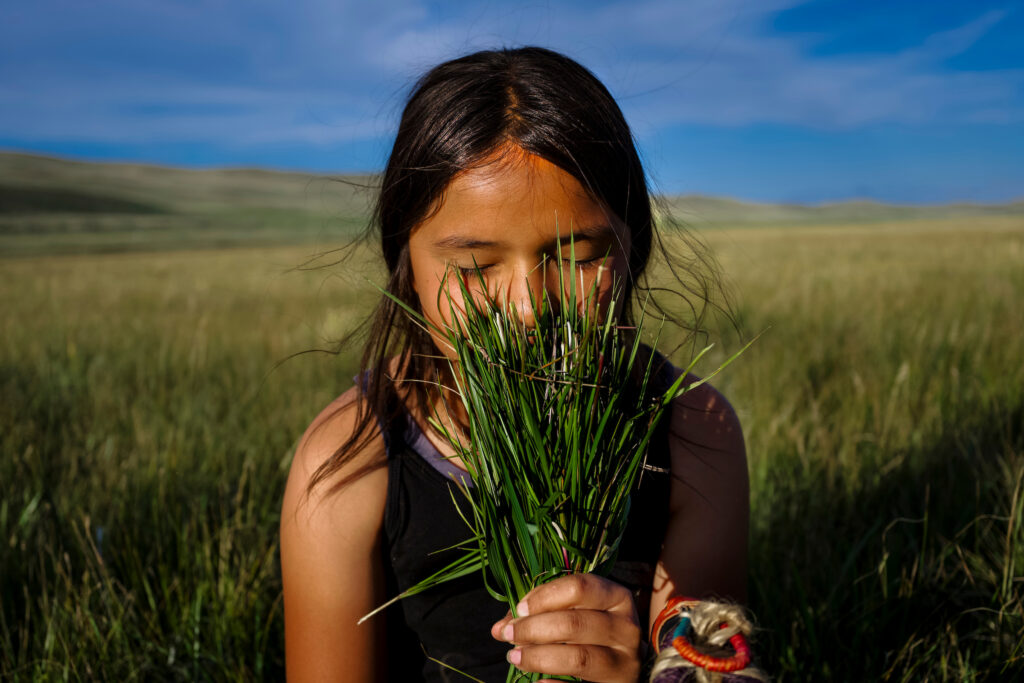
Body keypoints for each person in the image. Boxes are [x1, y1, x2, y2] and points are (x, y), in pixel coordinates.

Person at [280, 46, 749, 683]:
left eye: (580, 256)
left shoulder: (696, 432)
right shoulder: (349, 461)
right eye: (474, 268)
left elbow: (706, 660)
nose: (530, 309)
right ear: (406, 267)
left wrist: (641, 671)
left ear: (631, 244)